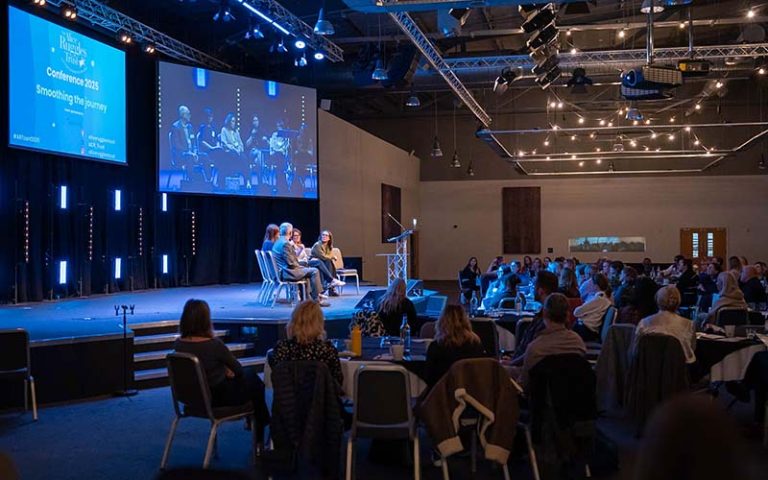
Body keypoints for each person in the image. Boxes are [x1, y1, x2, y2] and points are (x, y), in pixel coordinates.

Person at [174, 299, 270, 442]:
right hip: (217, 399)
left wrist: (222, 370)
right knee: (252, 378)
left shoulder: (179, 345)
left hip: (191, 399)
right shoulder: (214, 345)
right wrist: (226, 371)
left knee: (250, 379)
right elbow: (238, 369)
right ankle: (261, 427)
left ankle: (259, 421)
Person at [516, 293, 587, 390]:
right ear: (567, 314)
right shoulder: (578, 343)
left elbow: (523, 384)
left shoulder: (535, 348)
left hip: (540, 400)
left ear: (545, 313)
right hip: (572, 396)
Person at [270, 300, 344, 387]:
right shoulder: (327, 350)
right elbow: (337, 383)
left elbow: (276, 380)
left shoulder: (281, 348)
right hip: (320, 399)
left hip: (288, 399)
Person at [423, 305, 486, 390]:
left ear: (441, 321)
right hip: (472, 395)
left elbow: (429, 378)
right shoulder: (476, 344)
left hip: (442, 396)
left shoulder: (437, 346)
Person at [634, 286, 696, 364]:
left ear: (657, 300)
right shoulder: (689, 325)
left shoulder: (644, 323)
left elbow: (635, 350)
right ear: (678, 301)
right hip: (677, 371)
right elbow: (691, 352)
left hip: (648, 369)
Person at [272, 222, 328, 306]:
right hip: (288, 272)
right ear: (290, 233)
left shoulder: (277, 242)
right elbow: (291, 262)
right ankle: (317, 299)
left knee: (307, 271)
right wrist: (300, 266)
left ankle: (307, 298)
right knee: (314, 271)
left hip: (284, 271)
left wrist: (300, 266)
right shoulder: (285, 244)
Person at [511, 271, 559, 366]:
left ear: (540, 291)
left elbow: (534, 351)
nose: (532, 289)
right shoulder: (544, 313)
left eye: (534, 286)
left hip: (528, 368)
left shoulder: (548, 319)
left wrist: (512, 363)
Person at [299, 229, 343, 295]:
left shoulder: (329, 246)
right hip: (312, 262)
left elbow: (327, 257)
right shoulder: (317, 245)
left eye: (326, 235)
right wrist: (333, 257)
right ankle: (331, 281)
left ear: (329, 238)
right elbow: (323, 257)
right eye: (323, 235)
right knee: (324, 262)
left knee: (328, 262)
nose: (324, 236)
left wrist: (331, 257)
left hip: (321, 263)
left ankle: (329, 286)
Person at [573, 273, 612, 342]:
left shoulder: (599, 299)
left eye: (590, 283)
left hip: (587, 330)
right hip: (588, 329)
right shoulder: (603, 298)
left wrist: (584, 314)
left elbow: (576, 312)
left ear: (596, 286)